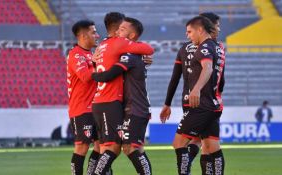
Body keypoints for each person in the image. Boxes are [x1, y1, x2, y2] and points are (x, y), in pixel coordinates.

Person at [160, 12, 225, 174]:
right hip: (213, 103)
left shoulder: (201, 47)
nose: (217, 29)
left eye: (189, 31)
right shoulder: (218, 47)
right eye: (216, 25)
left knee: (179, 143)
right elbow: (221, 79)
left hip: (198, 104)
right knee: (210, 146)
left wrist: (196, 89)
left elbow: (205, 69)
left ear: (200, 29)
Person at [91, 12, 154, 175]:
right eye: (119, 28)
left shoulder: (126, 54)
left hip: (136, 107)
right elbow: (147, 49)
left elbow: (110, 73)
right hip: (124, 106)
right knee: (123, 147)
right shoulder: (125, 50)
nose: (119, 32)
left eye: (123, 29)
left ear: (131, 35)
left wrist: (91, 73)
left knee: (129, 147)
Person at [67, 19, 101, 175]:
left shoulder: (90, 54)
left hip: (96, 108)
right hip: (81, 109)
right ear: (82, 35)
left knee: (100, 147)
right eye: (93, 32)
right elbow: (85, 77)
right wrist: (94, 63)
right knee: (82, 147)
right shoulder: (75, 54)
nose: (97, 35)